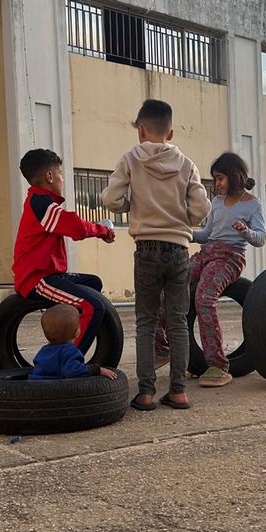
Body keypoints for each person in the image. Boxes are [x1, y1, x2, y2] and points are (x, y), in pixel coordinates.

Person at [100, 99, 212, 410]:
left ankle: (146, 393)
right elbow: (202, 209)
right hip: (178, 249)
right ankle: (178, 391)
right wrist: (182, 219)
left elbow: (111, 198)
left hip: (146, 248)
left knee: (146, 322)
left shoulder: (131, 159)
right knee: (177, 321)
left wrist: (129, 207)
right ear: (171, 132)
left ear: (140, 130)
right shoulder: (187, 164)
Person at [155, 152, 266, 387]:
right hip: (206, 253)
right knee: (168, 285)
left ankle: (218, 366)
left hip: (229, 257)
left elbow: (260, 238)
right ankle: (162, 347)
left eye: (220, 178)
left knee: (204, 298)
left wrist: (245, 231)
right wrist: (185, 233)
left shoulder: (252, 204)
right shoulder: (216, 203)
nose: (216, 184)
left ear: (235, 176)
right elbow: (207, 235)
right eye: (215, 179)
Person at [12, 149, 115, 354]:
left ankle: (67, 331)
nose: (62, 179)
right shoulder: (40, 203)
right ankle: (68, 359)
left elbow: (68, 224)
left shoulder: (43, 203)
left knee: (94, 283)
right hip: (37, 279)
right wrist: (102, 230)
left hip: (51, 274)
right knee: (93, 306)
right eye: (60, 173)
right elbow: (74, 226)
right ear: (49, 177)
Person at [28, 305, 118, 381]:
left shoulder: (43, 350)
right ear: (77, 332)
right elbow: (74, 372)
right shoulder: (69, 351)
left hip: (35, 388)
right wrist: (97, 370)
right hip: (53, 392)